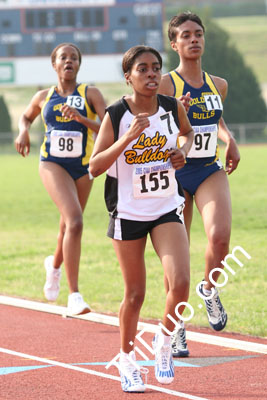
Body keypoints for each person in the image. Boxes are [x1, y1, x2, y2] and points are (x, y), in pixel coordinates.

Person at [89, 45, 194, 393]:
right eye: (143, 69)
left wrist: (182, 152)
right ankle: (127, 359)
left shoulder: (170, 105)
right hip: (128, 213)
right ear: (128, 76)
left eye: (155, 69)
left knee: (179, 283)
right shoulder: (117, 113)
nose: (151, 75)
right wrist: (127, 138)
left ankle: (164, 341)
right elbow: (94, 166)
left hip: (165, 207)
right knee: (135, 293)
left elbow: (188, 134)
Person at [158, 11, 241, 357]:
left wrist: (229, 138)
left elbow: (215, 116)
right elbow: (151, 126)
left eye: (198, 34)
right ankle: (176, 326)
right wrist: (177, 115)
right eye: (186, 35)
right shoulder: (165, 85)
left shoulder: (218, 84)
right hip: (174, 172)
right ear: (174, 43)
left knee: (220, 237)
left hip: (208, 167)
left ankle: (208, 288)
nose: (194, 39)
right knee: (177, 259)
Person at [15, 43, 106, 315]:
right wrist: (23, 132)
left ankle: (53, 266)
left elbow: (108, 128)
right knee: (76, 221)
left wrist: (80, 118)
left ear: (79, 64)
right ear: (54, 64)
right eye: (63, 57)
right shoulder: (44, 96)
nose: (69, 61)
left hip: (84, 166)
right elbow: (26, 116)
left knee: (68, 226)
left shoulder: (91, 93)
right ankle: (74, 294)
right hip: (52, 164)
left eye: (74, 57)